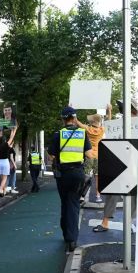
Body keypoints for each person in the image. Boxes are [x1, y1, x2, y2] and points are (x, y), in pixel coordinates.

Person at [47, 106, 91, 253]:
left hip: (63, 175)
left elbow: (51, 156)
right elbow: (90, 154)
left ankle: (66, 234)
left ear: (63, 119)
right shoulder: (83, 133)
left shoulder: (58, 134)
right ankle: (72, 239)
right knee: (73, 204)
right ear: (75, 118)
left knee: (65, 202)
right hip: (78, 173)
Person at [74, 105, 110, 203]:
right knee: (98, 177)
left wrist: (73, 110)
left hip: (89, 155)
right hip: (99, 156)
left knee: (86, 175)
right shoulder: (101, 130)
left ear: (93, 121)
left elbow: (77, 122)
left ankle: (81, 195)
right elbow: (109, 121)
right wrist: (109, 110)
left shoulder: (88, 129)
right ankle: (98, 196)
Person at [0, 126, 17, 196]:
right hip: (5, 162)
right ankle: (1, 190)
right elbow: (11, 137)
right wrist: (14, 130)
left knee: (2, 178)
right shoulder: (6, 145)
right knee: (5, 178)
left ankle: (4, 191)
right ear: (5, 140)